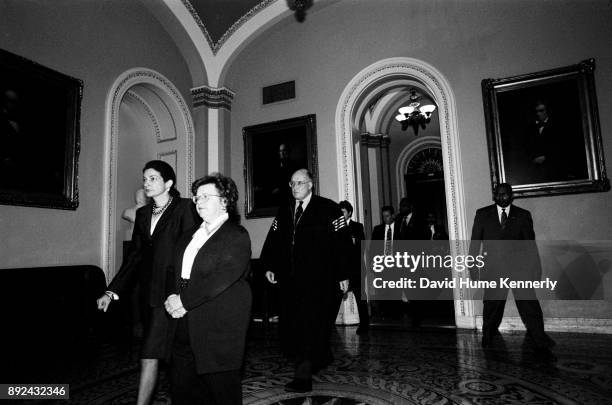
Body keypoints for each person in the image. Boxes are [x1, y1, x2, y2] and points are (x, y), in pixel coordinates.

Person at [96, 160, 200, 405]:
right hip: (148, 295)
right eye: (145, 179)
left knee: (152, 354)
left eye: (153, 178)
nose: (147, 183)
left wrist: (187, 294)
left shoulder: (185, 208)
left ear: (169, 183)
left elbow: (193, 251)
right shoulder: (143, 214)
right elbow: (135, 256)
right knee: (161, 354)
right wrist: (111, 291)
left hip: (174, 295)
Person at [164, 173, 252, 405]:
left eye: (205, 196)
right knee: (182, 387)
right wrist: (172, 297)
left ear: (224, 201)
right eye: (196, 197)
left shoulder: (236, 235)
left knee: (221, 391)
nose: (198, 201)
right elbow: (172, 270)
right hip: (184, 319)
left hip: (218, 323)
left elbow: (221, 278)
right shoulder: (188, 236)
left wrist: (183, 301)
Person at [261, 168, 351, 393]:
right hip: (291, 282)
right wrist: (270, 265)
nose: (295, 187)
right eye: (292, 183)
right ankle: (320, 357)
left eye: (300, 183)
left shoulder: (328, 208)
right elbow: (273, 238)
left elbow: (342, 243)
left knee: (311, 326)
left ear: (311, 184)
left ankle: (303, 377)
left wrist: (344, 274)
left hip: (320, 281)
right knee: (295, 326)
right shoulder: (285, 210)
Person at [469, 183, 556, 361]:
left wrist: (535, 270)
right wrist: (473, 270)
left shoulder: (523, 216)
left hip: (520, 270)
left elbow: (530, 246)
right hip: (493, 270)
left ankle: (541, 342)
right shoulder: (482, 214)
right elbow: (474, 245)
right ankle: (488, 336)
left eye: (506, 194)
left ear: (511, 195)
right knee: (492, 306)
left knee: (529, 306)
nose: (502, 197)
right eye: (499, 194)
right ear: (494, 196)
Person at [338, 200, 369, 334]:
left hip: (356, 269)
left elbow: (361, 246)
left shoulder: (358, 226)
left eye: (343, 212)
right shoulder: (335, 227)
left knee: (360, 298)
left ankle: (364, 325)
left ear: (349, 213)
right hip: (341, 270)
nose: (340, 214)